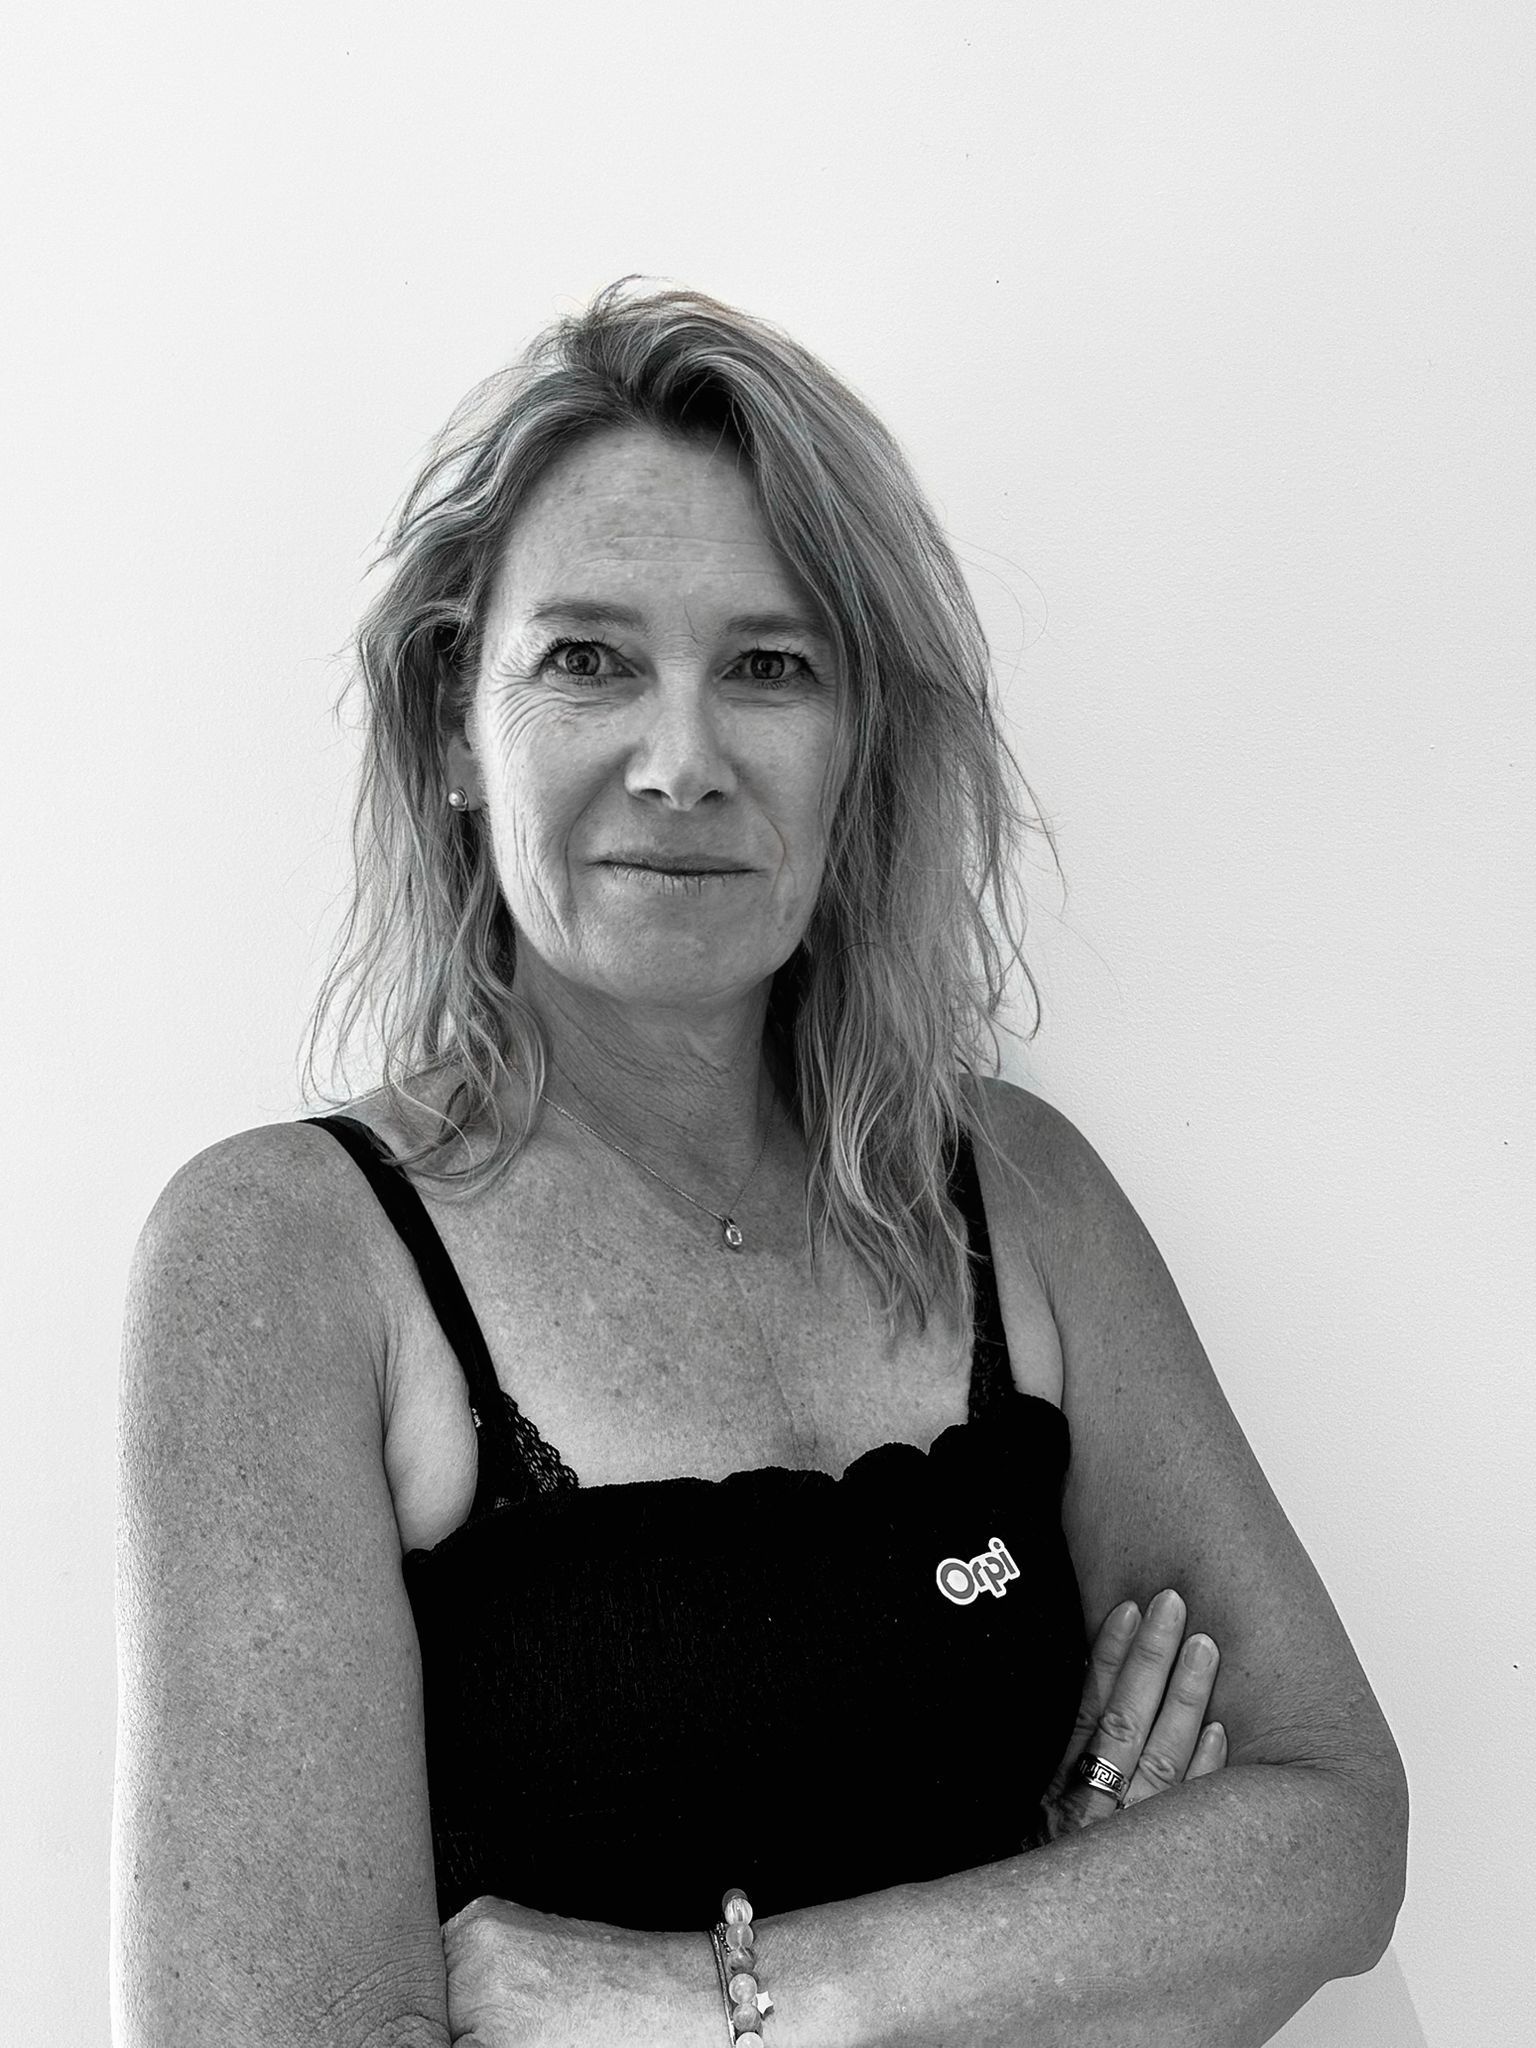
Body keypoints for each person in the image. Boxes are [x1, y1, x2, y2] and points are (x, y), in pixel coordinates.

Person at [112, 278, 1407, 2047]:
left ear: (857, 750)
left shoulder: (1016, 1194)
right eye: (586, 660)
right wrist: (1079, 1928)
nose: (681, 761)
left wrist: (721, 1999)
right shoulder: (284, 1258)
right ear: (450, 732)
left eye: (770, 667)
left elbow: (1333, 1830)